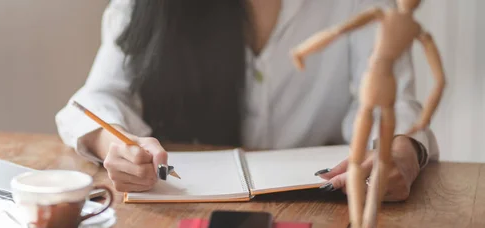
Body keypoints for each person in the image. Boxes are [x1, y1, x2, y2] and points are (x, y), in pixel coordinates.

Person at [55, 0, 439, 201]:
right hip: (183, 208)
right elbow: (92, 101)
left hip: (325, 205)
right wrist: (117, 144)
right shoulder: (147, 5)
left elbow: (393, 106)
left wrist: (401, 149)